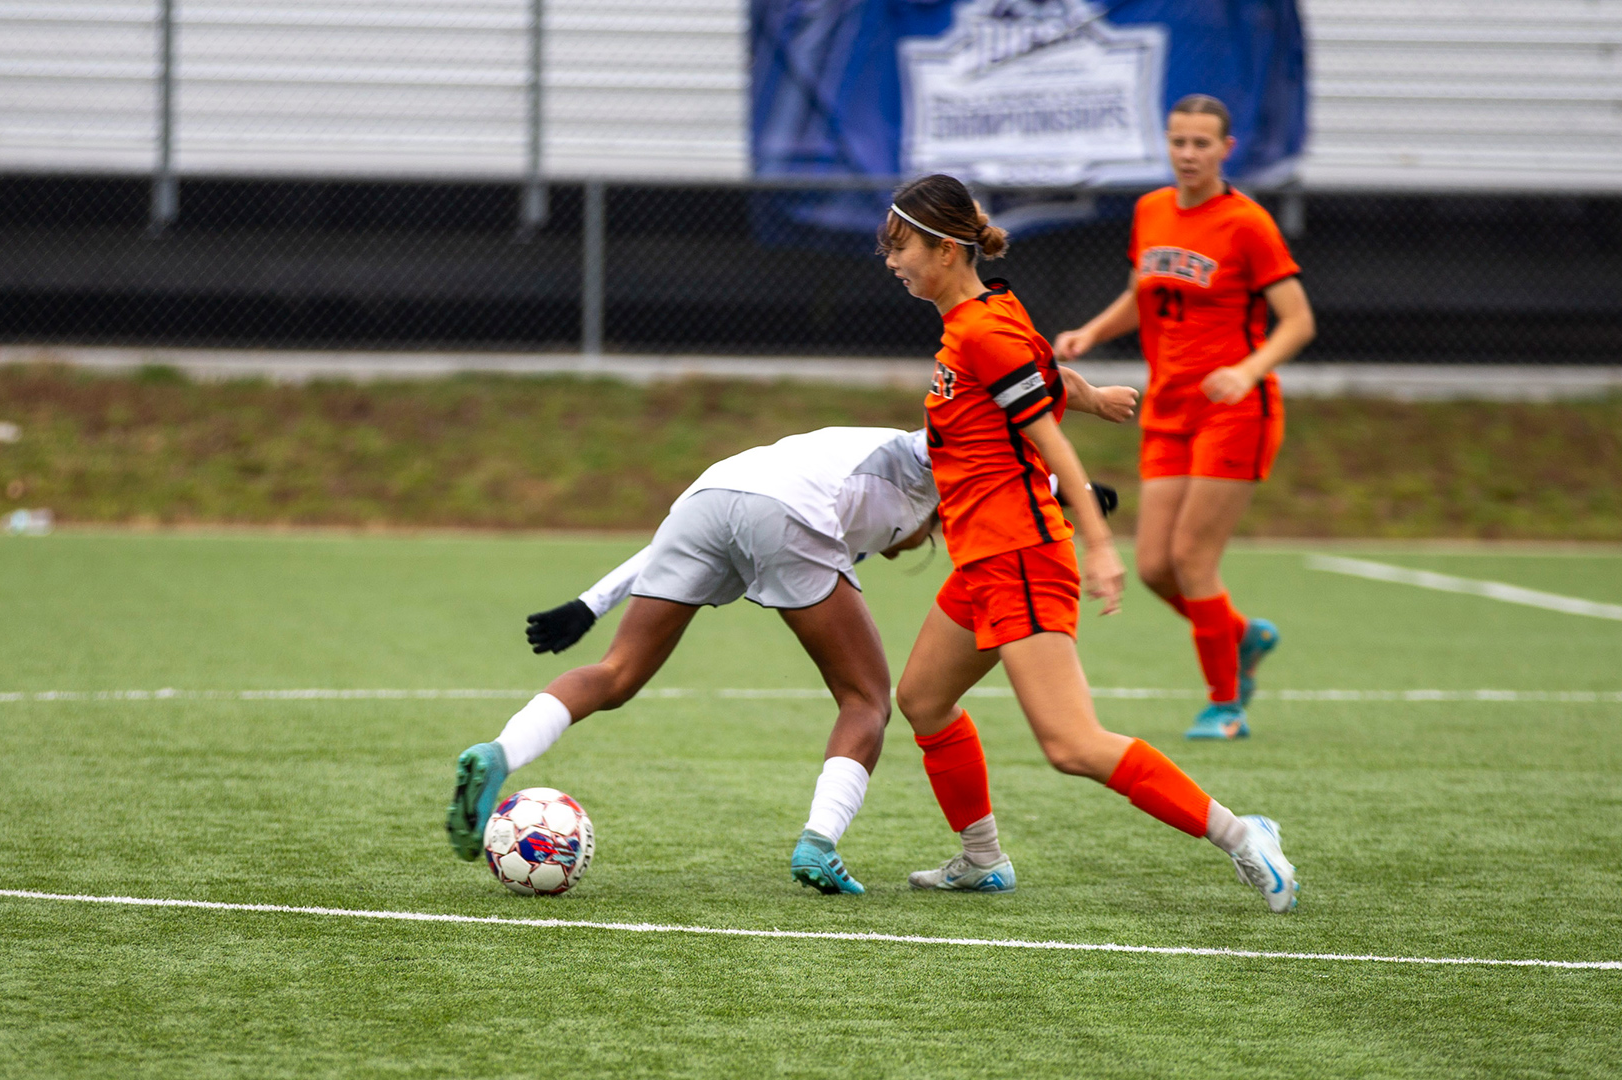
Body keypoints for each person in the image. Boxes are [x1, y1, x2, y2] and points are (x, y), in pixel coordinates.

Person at [446, 397, 1137, 895]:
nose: (906, 550)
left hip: (710, 492)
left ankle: (498, 753)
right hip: (782, 513)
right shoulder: (918, 459)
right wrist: (1070, 489)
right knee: (866, 699)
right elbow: (971, 441)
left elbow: (707, 519)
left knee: (617, 672)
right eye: (920, 540)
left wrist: (592, 603)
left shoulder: (846, 483)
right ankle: (819, 843)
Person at [880, 172, 1298, 911]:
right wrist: (1092, 394)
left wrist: (1101, 547)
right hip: (983, 557)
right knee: (922, 699)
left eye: (901, 243)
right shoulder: (986, 316)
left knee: (1072, 744)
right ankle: (982, 859)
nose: (891, 258)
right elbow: (1039, 374)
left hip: (1019, 552)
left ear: (946, 250)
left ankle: (1242, 833)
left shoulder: (982, 328)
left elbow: (1051, 443)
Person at [1053, 93, 1317, 741]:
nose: (1189, 154)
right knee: (1152, 568)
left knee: (1194, 559)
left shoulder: (1247, 224)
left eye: (1203, 143)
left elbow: (1299, 320)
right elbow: (1143, 291)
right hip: (1168, 407)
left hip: (1235, 412)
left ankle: (1225, 705)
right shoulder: (1150, 211)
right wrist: (1092, 332)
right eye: (1179, 141)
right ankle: (1242, 635)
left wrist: (1249, 370)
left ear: (1227, 150)